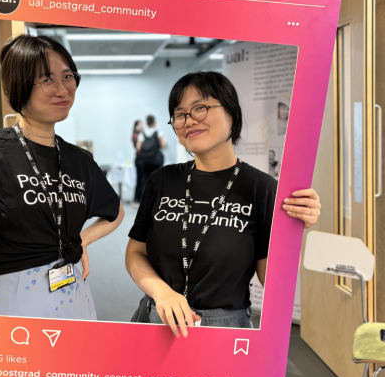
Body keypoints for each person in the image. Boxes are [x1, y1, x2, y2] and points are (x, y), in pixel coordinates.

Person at [0, 35, 124, 322]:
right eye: (47, 80)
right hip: (17, 305)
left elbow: (115, 212)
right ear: (19, 87)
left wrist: (81, 240)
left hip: (76, 299)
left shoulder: (78, 159)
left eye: (67, 76)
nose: (63, 89)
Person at [125, 71, 321, 336]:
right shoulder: (162, 180)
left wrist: (294, 230)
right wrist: (162, 293)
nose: (189, 120)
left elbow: (271, 280)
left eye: (200, 108)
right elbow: (135, 253)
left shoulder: (260, 188)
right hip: (156, 318)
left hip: (224, 330)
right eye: (180, 114)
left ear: (231, 112)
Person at [134, 114, 166, 201]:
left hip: (145, 161)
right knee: (157, 179)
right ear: (154, 121)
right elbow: (163, 145)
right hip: (156, 161)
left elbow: (138, 148)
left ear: (146, 122)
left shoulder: (142, 133)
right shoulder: (158, 132)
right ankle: (157, 199)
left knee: (145, 180)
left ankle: (144, 199)